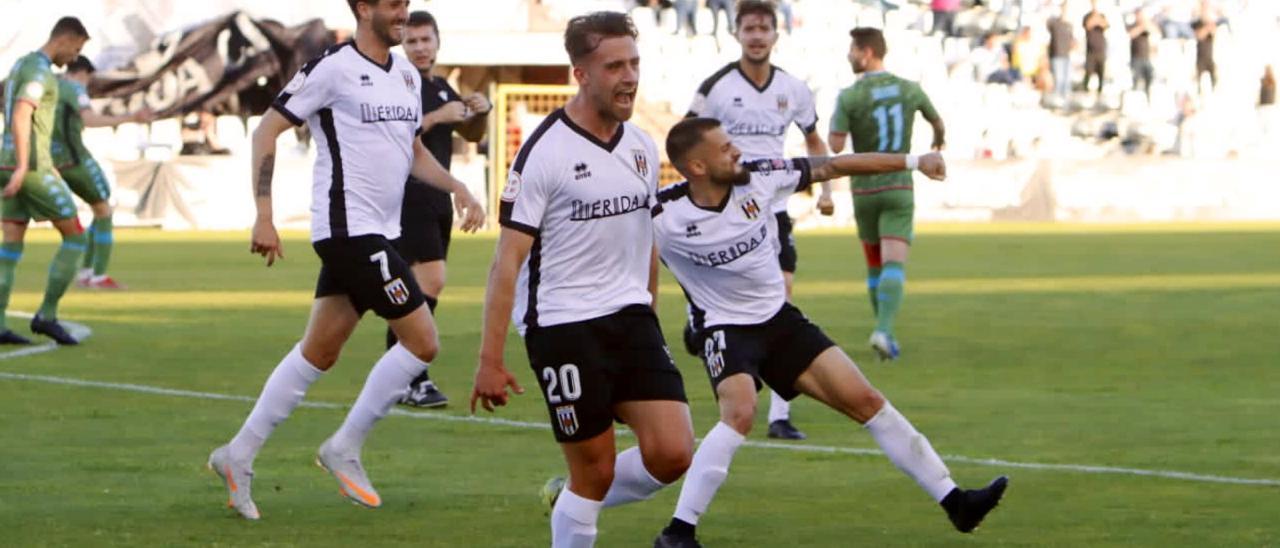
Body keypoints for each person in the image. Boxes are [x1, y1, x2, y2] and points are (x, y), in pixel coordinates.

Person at [651, 117, 1008, 548]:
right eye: (725, 148)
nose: (736, 152)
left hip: (780, 322)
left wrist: (916, 160)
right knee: (740, 412)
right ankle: (678, 532)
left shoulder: (761, 179)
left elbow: (837, 166)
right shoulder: (661, 214)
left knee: (868, 402)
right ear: (697, 167)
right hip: (724, 327)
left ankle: (957, 503)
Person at [206, 0, 485, 520]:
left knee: (320, 351)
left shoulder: (404, 72)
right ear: (362, 8)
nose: (403, 12)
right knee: (423, 342)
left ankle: (237, 454)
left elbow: (412, 150)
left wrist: (459, 186)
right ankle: (344, 447)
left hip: (379, 231)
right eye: (393, 4)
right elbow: (266, 130)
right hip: (348, 230)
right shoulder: (331, 68)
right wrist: (263, 215)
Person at [470, 12, 693, 548]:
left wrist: (650, 315)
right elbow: (507, 262)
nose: (629, 77)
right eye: (614, 65)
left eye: (634, 63)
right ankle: (576, 502)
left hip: (631, 318)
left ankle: (565, 496)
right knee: (594, 471)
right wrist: (490, 360)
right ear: (581, 74)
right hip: (564, 323)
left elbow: (647, 238)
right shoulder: (544, 153)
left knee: (673, 451)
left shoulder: (641, 145)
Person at [684, 0, 833, 441]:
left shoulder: (794, 88)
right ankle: (701, 316)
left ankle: (780, 415)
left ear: (775, 35)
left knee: (780, 298)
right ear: (736, 33)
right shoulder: (716, 87)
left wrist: (825, 187)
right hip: (727, 210)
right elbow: (688, 137)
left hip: (774, 208)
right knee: (724, 289)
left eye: (763, 28)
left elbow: (812, 137)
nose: (756, 36)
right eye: (749, 28)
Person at [389, 9, 492, 408]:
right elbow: (400, 135)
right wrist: (436, 117)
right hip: (408, 194)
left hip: (438, 198)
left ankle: (400, 374)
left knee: (416, 289)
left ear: (437, 42)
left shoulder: (443, 85)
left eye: (425, 40)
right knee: (428, 283)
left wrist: (481, 112)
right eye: (412, 41)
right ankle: (412, 375)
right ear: (403, 44)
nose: (419, 48)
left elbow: (470, 132)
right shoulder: (399, 83)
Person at [828, 27, 944, 361]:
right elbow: (937, 121)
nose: (849, 55)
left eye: (852, 49)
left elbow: (836, 145)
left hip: (863, 190)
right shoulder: (910, 89)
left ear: (866, 52)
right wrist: (937, 143)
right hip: (898, 186)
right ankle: (884, 330)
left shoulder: (849, 96)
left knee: (875, 265)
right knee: (895, 262)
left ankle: (884, 332)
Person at [0, 17, 91, 346]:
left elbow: (10, 107)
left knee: (10, 244)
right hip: (28, 168)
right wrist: (27, 164)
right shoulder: (40, 71)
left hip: (5, 161)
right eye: (76, 49)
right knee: (75, 236)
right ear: (66, 38)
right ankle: (47, 315)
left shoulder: (20, 64)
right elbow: (24, 112)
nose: (74, 58)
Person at [51, 56, 145, 290]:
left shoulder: (51, 85)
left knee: (98, 209)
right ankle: (98, 275)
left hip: (53, 159)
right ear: (83, 73)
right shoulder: (74, 89)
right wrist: (130, 118)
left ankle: (86, 272)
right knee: (104, 210)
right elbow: (89, 118)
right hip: (75, 158)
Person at [1046, 3, 1074, 104]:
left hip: (1066, 55)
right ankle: (1058, 100)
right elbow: (1047, 22)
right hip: (1056, 55)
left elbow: (1072, 41)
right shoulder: (1054, 23)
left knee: (1066, 80)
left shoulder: (1069, 25)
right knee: (1059, 79)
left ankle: (1066, 101)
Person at [1128, 7, 1158, 100]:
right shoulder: (1132, 25)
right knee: (1136, 80)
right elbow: (1130, 34)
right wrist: (1141, 27)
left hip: (1146, 57)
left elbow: (1156, 32)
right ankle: (1135, 99)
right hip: (1136, 58)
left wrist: (1147, 24)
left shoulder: (1147, 26)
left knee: (1150, 77)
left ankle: (1148, 97)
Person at [1082, 0, 1109, 100]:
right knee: (1088, 72)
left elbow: (1105, 25)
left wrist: (1098, 19)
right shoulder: (1087, 16)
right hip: (1090, 51)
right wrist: (1095, 18)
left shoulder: (1102, 15)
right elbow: (1088, 26)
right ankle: (1084, 91)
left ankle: (1100, 93)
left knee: (1101, 73)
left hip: (1101, 50)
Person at [1191, 0, 1217, 94]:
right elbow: (1199, 36)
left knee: (1214, 78)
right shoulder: (1197, 23)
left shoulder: (1212, 22)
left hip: (1210, 56)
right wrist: (1206, 28)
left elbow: (1214, 35)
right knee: (1198, 82)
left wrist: (1210, 27)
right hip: (1200, 57)